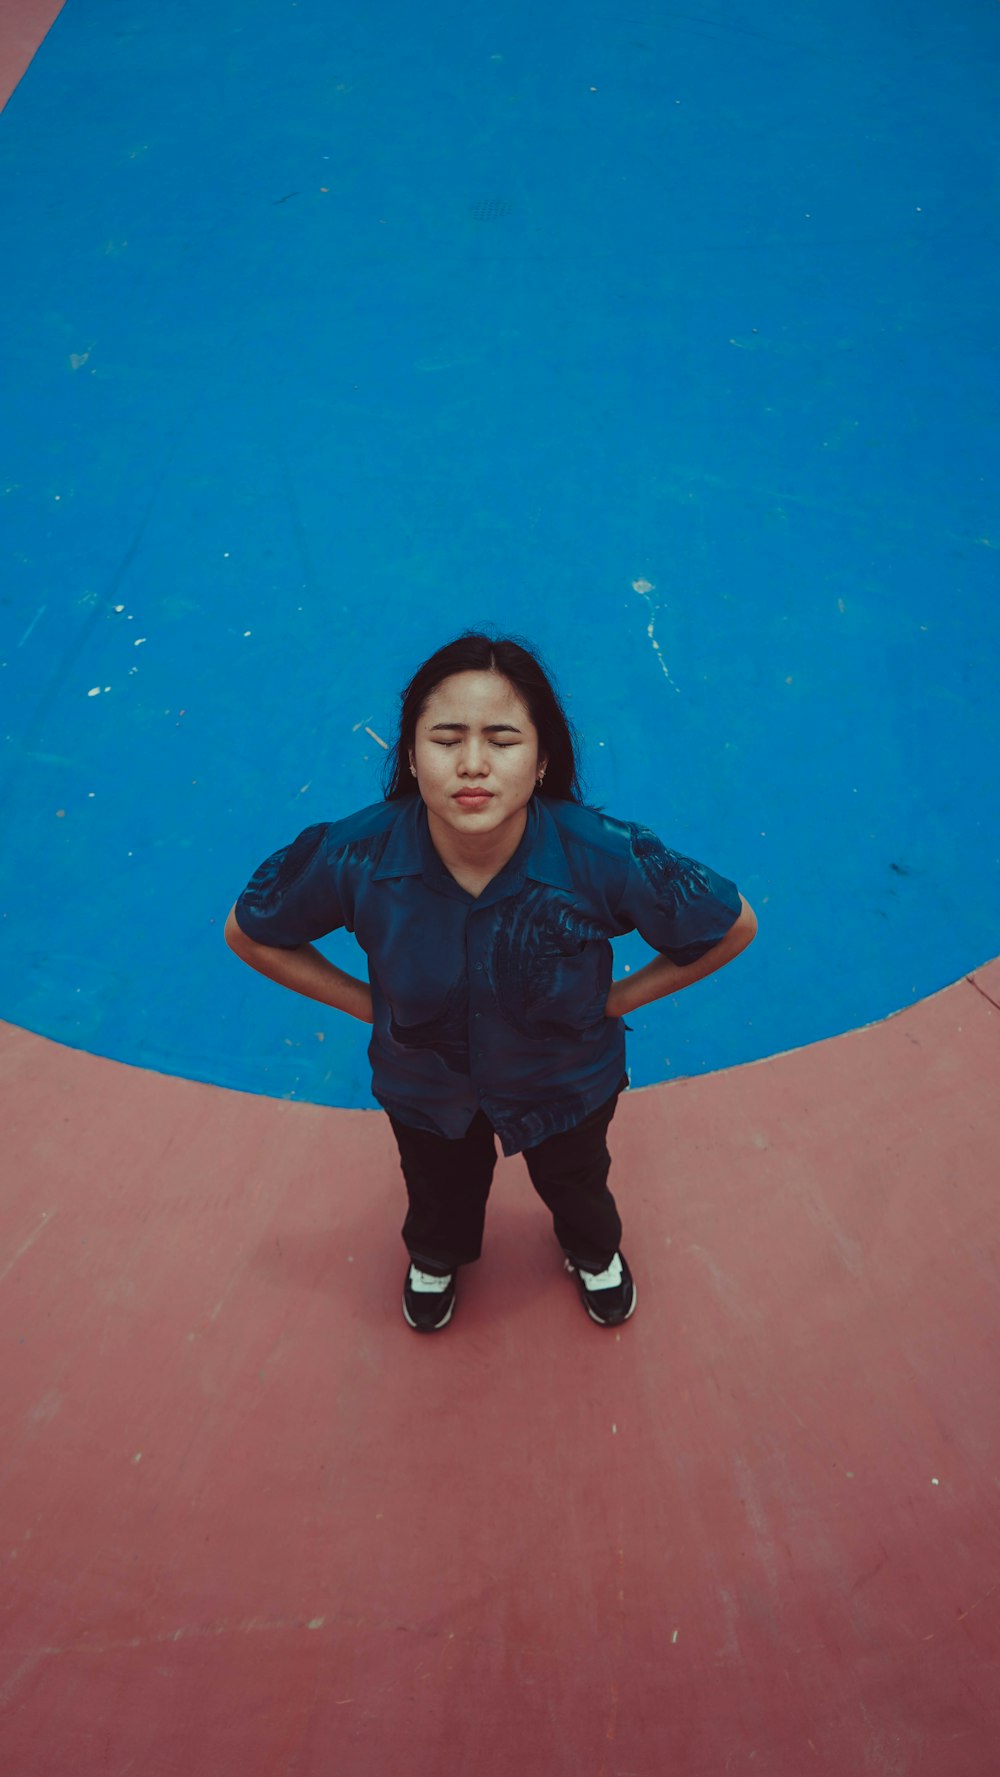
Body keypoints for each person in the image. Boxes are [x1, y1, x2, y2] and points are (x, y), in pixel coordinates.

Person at [225, 632, 756, 1334]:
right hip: (425, 1083)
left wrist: (620, 1000)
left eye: (502, 739)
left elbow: (731, 924)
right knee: (436, 1185)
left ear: (542, 760)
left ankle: (592, 1249)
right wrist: (368, 1005)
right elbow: (250, 930)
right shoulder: (354, 855)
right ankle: (436, 1256)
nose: (472, 764)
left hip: (566, 1080)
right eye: (447, 738)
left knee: (578, 1180)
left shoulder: (604, 853)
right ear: (412, 756)